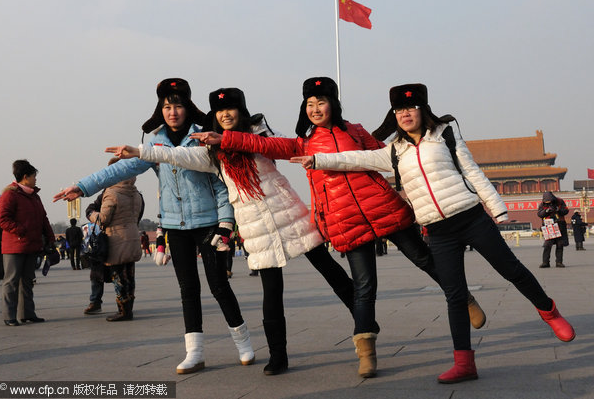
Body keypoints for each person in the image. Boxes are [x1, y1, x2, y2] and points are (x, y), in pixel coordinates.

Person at [190, 78, 486, 378]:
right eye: (310, 104)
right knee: (364, 286)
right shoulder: (302, 143)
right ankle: (366, 352)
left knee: (424, 258)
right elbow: (262, 143)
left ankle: (464, 298)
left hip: (382, 207)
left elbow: (390, 159)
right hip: (347, 219)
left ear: (333, 103)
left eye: (321, 102)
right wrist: (224, 140)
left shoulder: (356, 131)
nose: (316, 109)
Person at [297, 83, 576, 383]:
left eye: (411, 108)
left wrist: (498, 210)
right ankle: (465, 363)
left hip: (470, 218)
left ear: (422, 110)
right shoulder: (393, 151)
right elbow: (353, 158)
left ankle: (549, 312)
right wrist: (317, 160)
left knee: (511, 269)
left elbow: (472, 172)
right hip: (438, 231)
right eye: (399, 110)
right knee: (455, 296)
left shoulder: (444, 135)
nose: (405, 114)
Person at [107, 87, 360, 376]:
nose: (226, 114)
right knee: (271, 292)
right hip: (256, 227)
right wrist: (141, 151)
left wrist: (227, 139)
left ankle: (364, 324)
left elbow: (272, 147)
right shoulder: (211, 151)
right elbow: (177, 156)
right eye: (219, 110)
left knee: (330, 271)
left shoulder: (258, 133)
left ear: (241, 111)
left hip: (288, 214)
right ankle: (278, 356)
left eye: (231, 109)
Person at [53, 78, 253, 373]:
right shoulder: (156, 142)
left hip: (207, 221)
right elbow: (121, 168)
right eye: (167, 106)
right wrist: (83, 187)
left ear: (188, 108)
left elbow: (222, 184)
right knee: (188, 288)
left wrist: (225, 221)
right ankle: (194, 352)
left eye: (178, 106)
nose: (173, 112)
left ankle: (243, 343)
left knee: (219, 285)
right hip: (175, 224)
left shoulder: (203, 136)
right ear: (161, 110)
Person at [86, 158, 144, 321]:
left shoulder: (112, 192)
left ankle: (123, 311)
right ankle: (128, 309)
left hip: (117, 240)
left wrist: (91, 214)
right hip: (132, 237)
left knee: (118, 276)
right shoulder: (135, 192)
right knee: (129, 275)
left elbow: (103, 218)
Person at [0, 160, 54, 326]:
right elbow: (2, 219)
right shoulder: (10, 194)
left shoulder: (34, 196)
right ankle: (9, 316)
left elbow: (43, 219)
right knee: (12, 281)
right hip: (14, 246)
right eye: (34, 176)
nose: (36, 179)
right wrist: (21, 230)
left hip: (31, 245)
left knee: (28, 281)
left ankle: (27, 313)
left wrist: (50, 237)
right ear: (25, 177)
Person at [537, 192, 569, 268]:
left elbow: (566, 211)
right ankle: (545, 262)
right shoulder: (542, 204)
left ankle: (559, 262)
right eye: (547, 202)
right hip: (548, 226)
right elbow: (539, 214)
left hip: (560, 225)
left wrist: (558, 209)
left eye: (549, 201)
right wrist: (546, 211)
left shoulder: (560, 201)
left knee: (560, 244)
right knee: (547, 245)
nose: (548, 203)